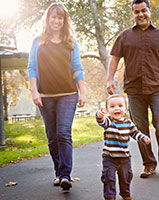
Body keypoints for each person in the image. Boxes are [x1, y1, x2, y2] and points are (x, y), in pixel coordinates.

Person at [106, 0, 159, 179]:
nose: (140, 15)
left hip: (157, 87)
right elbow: (114, 58)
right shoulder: (125, 36)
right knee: (140, 128)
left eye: (143, 11)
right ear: (133, 14)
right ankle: (148, 164)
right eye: (136, 12)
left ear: (149, 11)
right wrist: (110, 79)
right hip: (134, 89)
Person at [27, 3, 85, 191]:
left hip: (68, 94)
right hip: (45, 95)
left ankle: (65, 175)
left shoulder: (71, 41)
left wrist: (82, 91)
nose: (57, 21)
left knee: (63, 132)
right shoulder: (38, 41)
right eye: (54, 17)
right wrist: (34, 91)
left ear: (64, 20)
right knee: (52, 136)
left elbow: (77, 68)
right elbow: (32, 68)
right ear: (48, 18)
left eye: (60, 18)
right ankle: (59, 173)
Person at [96, 94, 151, 200]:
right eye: (112, 107)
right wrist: (99, 116)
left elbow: (135, 133)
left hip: (124, 157)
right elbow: (101, 122)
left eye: (120, 106)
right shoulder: (108, 121)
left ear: (125, 109)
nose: (116, 108)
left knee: (126, 177)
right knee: (109, 178)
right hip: (109, 157)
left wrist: (143, 138)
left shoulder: (128, 123)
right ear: (107, 110)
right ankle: (110, 196)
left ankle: (125, 193)